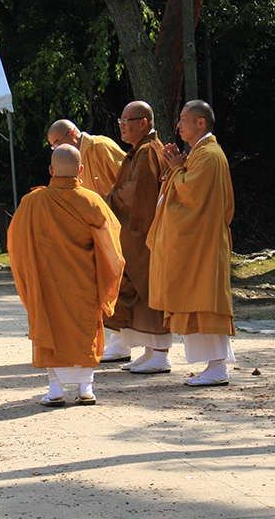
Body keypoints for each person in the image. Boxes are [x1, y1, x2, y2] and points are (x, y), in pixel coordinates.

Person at [8, 144, 124, 407]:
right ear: (81, 170)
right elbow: (112, 249)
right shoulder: (92, 201)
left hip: (47, 284)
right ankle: (86, 388)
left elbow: (17, 245)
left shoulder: (32, 203)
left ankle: (55, 390)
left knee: (52, 329)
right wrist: (107, 279)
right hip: (84, 281)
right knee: (86, 331)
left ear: (50, 170)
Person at [146, 100, 236, 387]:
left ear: (201, 123)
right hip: (199, 243)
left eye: (184, 119)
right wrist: (178, 167)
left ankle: (218, 367)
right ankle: (215, 365)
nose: (179, 124)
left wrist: (176, 168)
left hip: (203, 245)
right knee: (196, 301)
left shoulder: (209, 155)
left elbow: (190, 195)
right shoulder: (200, 154)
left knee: (203, 302)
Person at [101, 101, 172, 373]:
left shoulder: (148, 152)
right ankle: (150, 350)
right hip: (134, 236)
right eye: (120, 119)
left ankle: (161, 353)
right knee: (140, 295)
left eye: (126, 120)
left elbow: (136, 193)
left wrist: (108, 198)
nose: (121, 125)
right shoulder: (139, 151)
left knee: (150, 290)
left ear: (143, 123)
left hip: (144, 236)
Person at [47, 119, 125, 196]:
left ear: (72, 134)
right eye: (53, 147)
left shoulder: (100, 146)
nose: (57, 150)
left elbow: (130, 178)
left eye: (57, 144)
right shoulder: (71, 161)